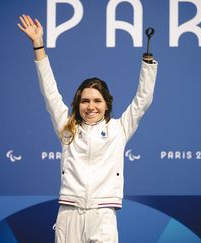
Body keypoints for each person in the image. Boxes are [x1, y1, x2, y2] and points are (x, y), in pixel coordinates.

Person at [18, 14, 158, 243]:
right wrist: (38, 45)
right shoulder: (67, 126)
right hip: (69, 213)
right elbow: (49, 90)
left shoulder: (119, 129)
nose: (90, 106)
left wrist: (148, 63)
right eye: (85, 101)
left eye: (97, 101)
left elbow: (143, 100)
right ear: (77, 104)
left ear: (106, 104)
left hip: (103, 215)